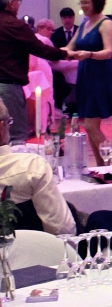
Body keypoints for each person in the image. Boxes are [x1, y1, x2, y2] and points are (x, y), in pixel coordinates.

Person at [67, 0, 112, 163]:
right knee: (89, 126)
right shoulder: (84, 25)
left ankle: (109, 166)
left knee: (90, 125)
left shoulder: (106, 24)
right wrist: (49, 52)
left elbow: (108, 52)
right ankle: (101, 167)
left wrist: (89, 54)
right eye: (81, 2)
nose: (82, 6)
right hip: (85, 76)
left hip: (100, 77)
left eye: (86, 2)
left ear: (97, 3)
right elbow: (69, 47)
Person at [0, 0, 69, 143]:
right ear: (11, 3)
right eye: (18, 1)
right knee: (15, 136)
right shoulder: (14, 25)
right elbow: (40, 50)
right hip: (8, 87)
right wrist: (66, 54)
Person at [0, 98, 75, 233]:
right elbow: (62, 230)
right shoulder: (31, 167)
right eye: (9, 122)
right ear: (1, 128)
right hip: (27, 245)